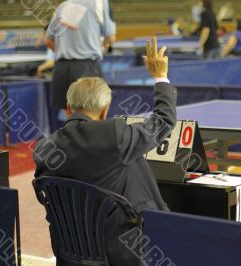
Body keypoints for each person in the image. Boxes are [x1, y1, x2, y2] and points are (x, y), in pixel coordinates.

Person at [34, 37, 177, 266]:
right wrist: (160, 76)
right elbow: (163, 121)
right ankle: (162, 218)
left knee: (128, 162)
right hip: (121, 250)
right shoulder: (114, 135)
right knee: (132, 160)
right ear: (105, 110)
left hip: (70, 249)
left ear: (69, 108)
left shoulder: (43, 149)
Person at [45, 0, 116, 114]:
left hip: (62, 68)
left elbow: (48, 41)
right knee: (93, 116)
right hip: (88, 67)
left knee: (69, 118)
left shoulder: (62, 6)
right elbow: (111, 38)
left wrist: (66, 51)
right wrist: (98, 46)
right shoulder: (100, 3)